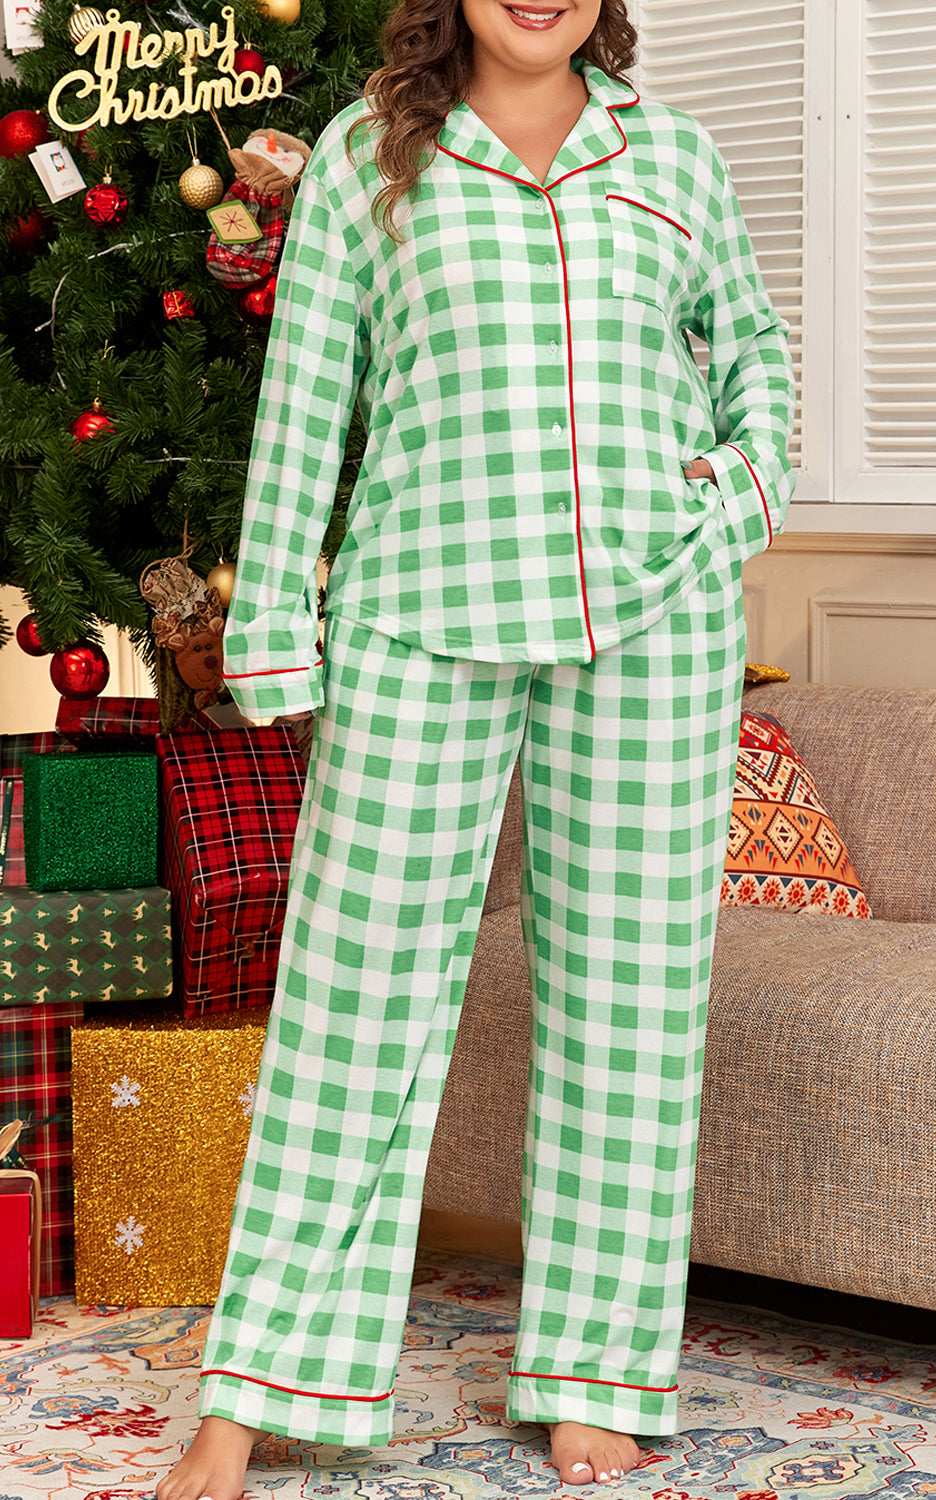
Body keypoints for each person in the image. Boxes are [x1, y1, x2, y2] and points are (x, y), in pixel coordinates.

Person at [156, 0, 795, 1492]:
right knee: (352, 1001)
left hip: (651, 618)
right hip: (417, 613)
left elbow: (753, 350)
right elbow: (307, 400)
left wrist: (731, 504)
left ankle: (592, 1372)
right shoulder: (366, 156)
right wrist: (275, 628)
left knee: (630, 1006)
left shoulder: (673, 155)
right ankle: (258, 1388)